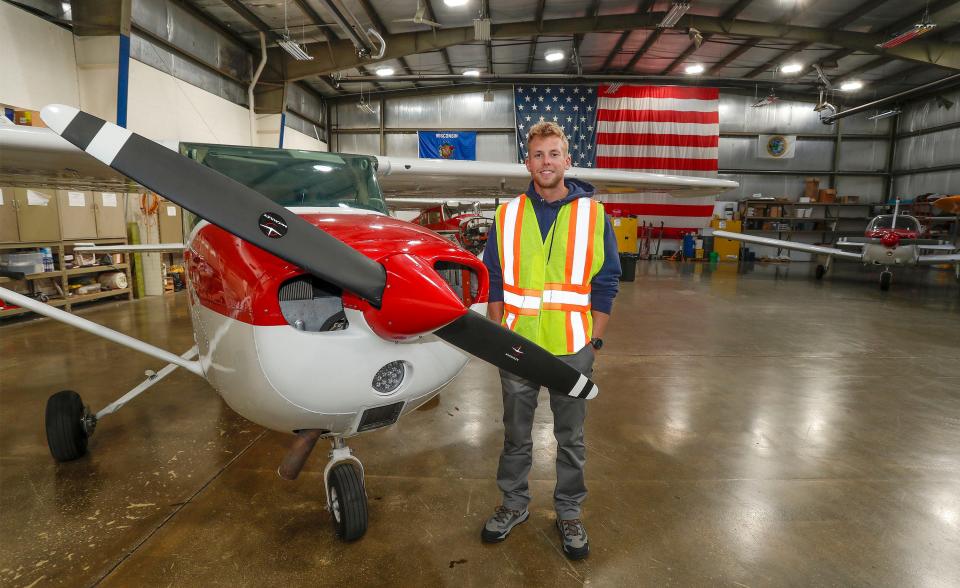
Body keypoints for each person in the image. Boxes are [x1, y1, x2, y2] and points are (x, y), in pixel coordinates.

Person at [479, 121, 621, 560]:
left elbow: (607, 279)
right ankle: (514, 505)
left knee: (571, 438)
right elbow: (496, 279)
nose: (546, 163)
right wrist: (496, 329)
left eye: (554, 154)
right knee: (516, 435)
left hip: (572, 345)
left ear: (567, 160)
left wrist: (594, 339)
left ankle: (569, 511)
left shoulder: (594, 215)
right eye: (538, 155)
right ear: (528, 161)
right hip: (518, 344)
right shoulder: (508, 214)